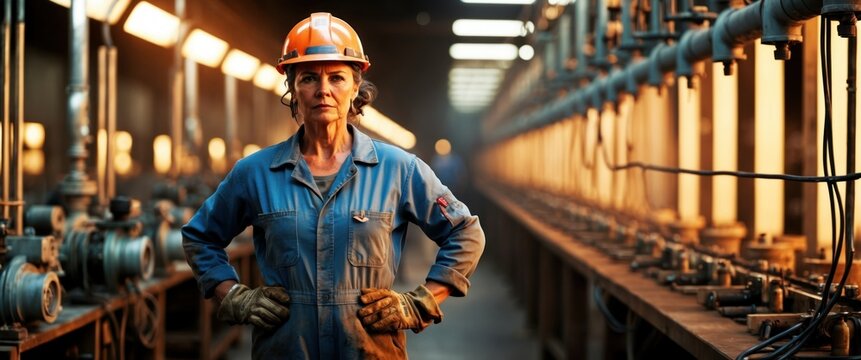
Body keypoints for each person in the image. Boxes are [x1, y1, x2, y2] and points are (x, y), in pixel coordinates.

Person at [182, 12, 485, 359]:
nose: (323, 90)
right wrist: (233, 294)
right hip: (285, 350)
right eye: (309, 77)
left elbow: (466, 234)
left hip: (370, 351)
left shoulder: (397, 168)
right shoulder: (255, 172)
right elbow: (200, 237)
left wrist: (421, 302)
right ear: (292, 87)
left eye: (337, 78)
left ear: (356, 87)